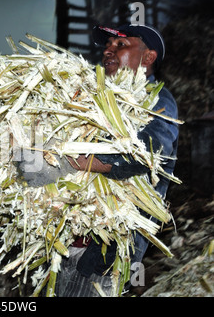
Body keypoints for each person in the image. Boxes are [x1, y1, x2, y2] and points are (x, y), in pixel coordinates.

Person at [17, 23, 179, 296]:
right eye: (107, 45)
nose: (108, 50)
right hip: (61, 243)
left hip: (105, 252)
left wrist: (69, 162)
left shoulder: (157, 100)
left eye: (121, 45)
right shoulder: (90, 95)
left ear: (148, 57)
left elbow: (148, 151)